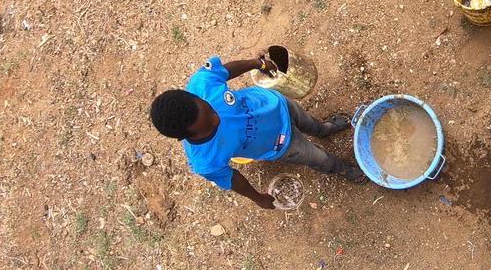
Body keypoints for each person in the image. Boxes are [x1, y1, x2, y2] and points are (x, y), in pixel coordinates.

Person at [150, 54, 364, 209]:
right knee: (319, 159)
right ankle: (342, 169)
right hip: (281, 145)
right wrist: (258, 198)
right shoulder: (204, 161)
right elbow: (233, 178)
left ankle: (323, 130)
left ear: (194, 97)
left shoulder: (201, 83)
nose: (217, 119)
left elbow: (224, 71)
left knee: (308, 122)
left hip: (277, 104)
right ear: (185, 136)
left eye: (210, 110)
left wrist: (258, 63)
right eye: (209, 126)